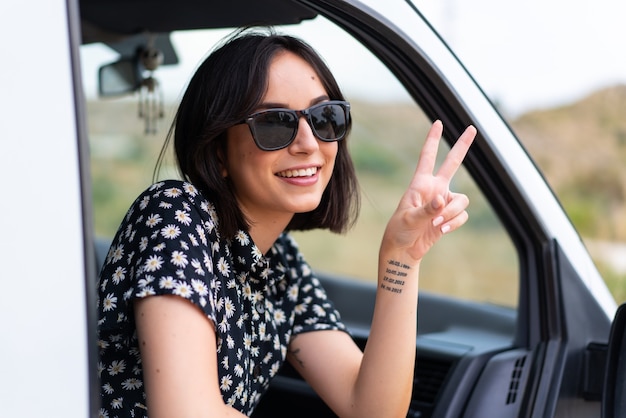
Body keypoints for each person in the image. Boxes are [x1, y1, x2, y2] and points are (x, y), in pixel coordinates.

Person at [97, 27, 476, 418]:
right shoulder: (174, 213)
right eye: (275, 123)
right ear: (218, 151)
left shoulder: (280, 267)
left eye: (324, 117)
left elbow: (371, 410)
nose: (308, 143)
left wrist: (401, 255)